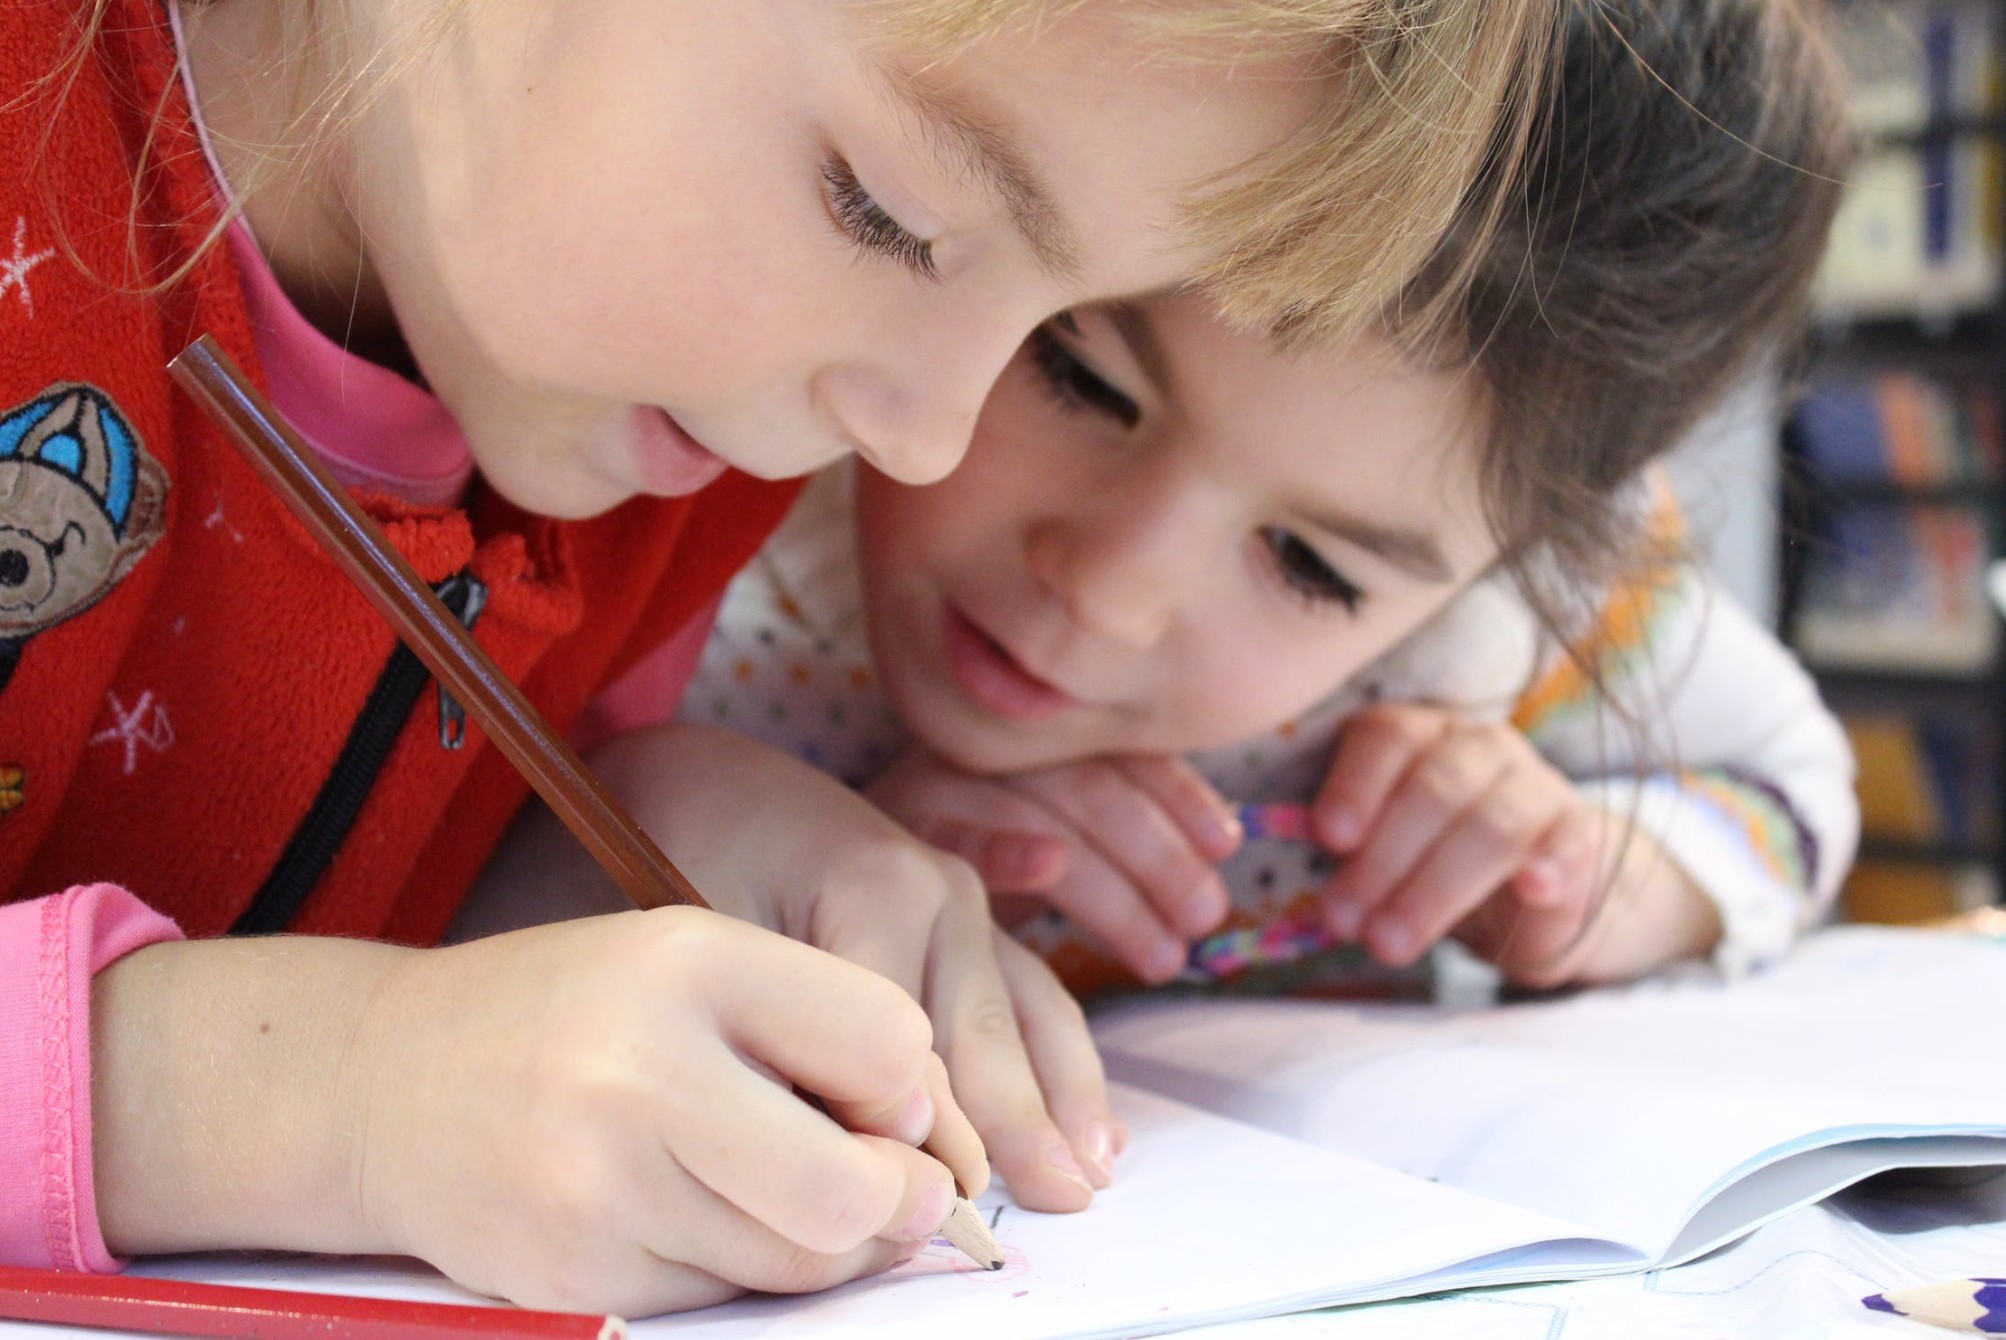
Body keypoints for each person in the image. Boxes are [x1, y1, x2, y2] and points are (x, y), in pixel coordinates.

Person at [0, 0, 1562, 1318]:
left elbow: (306, 880)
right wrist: (334, 1102)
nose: (927, 432)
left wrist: (616, 840)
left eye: (1054, 319)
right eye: (892, 215)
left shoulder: (674, 442)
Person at [650, 0, 1859, 999]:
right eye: (1080, 379)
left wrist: (1600, 879)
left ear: (1513, 563)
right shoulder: (705, 482)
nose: (1110, 591)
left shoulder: (1511, 633)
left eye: (1309, 566)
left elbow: (1793, 784)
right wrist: (795, 859)